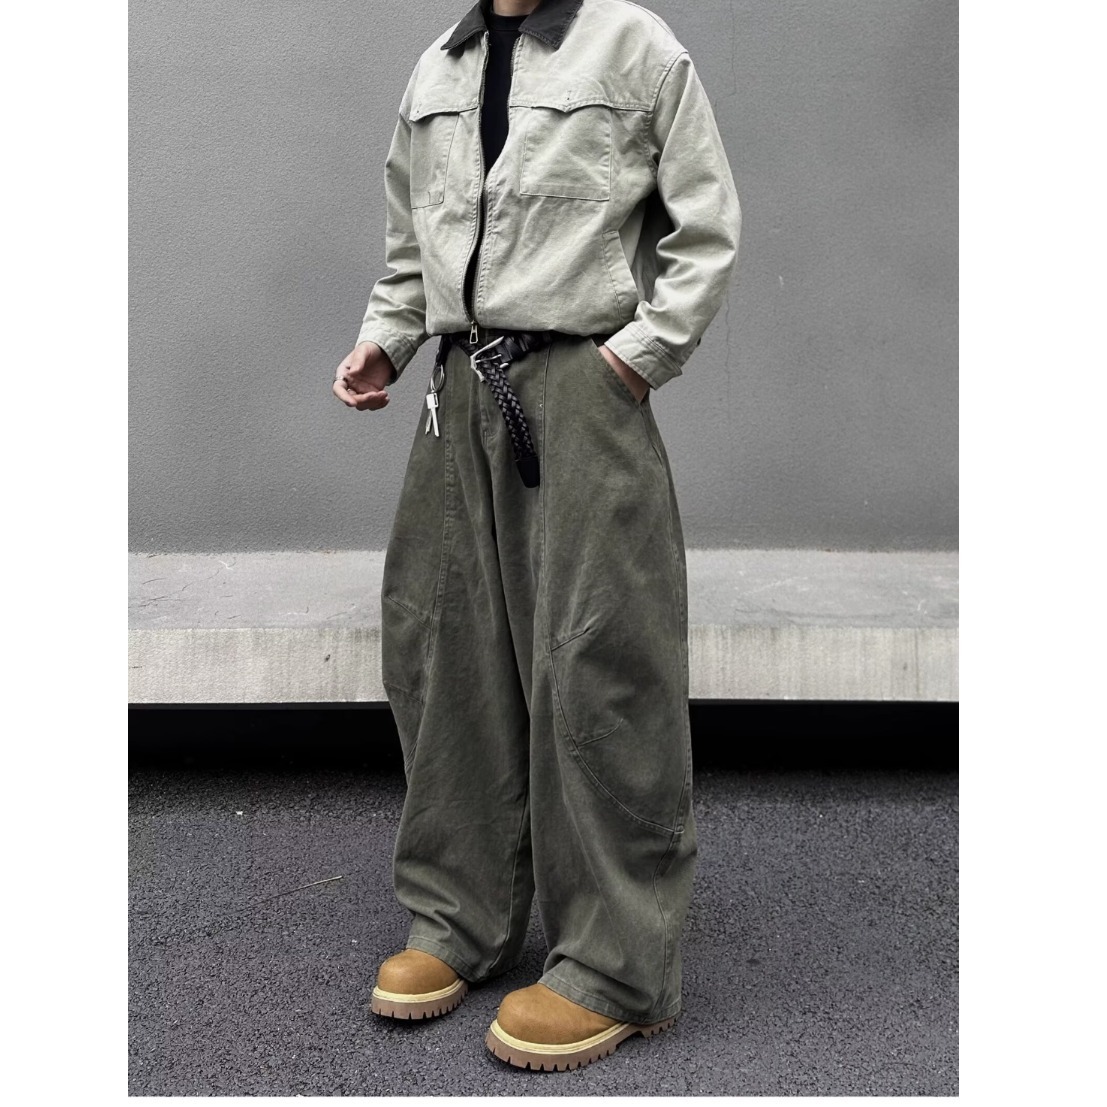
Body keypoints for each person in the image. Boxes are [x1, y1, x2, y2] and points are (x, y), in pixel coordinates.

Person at [332, 0, 740, 1072]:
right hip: (458, 389)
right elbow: (410, 243)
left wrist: (634, 360)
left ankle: (616, 964)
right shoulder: (439, 66)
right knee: (443, 653)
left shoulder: (634, 46)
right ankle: (459, 918)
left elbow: (704, 227)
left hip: (577, 389)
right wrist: (386, 338)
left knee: (597, 661)